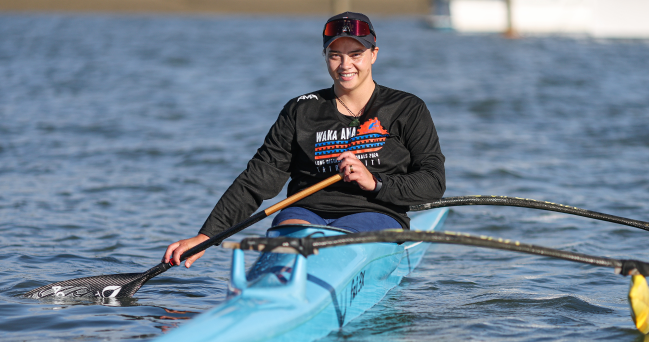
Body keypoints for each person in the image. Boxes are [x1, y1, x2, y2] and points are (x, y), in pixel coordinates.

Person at [164, 12, 446, 268]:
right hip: (306, 212)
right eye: (335, 55)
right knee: (288, 239)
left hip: (375, 214)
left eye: (356, 54)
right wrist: (207, 234)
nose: (345, 65)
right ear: (325, 56)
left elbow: (433, 182)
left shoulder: (407, 108)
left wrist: (374, 182)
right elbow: (258, 178)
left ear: (374, 54)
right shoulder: (301, 109)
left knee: (329, 251)